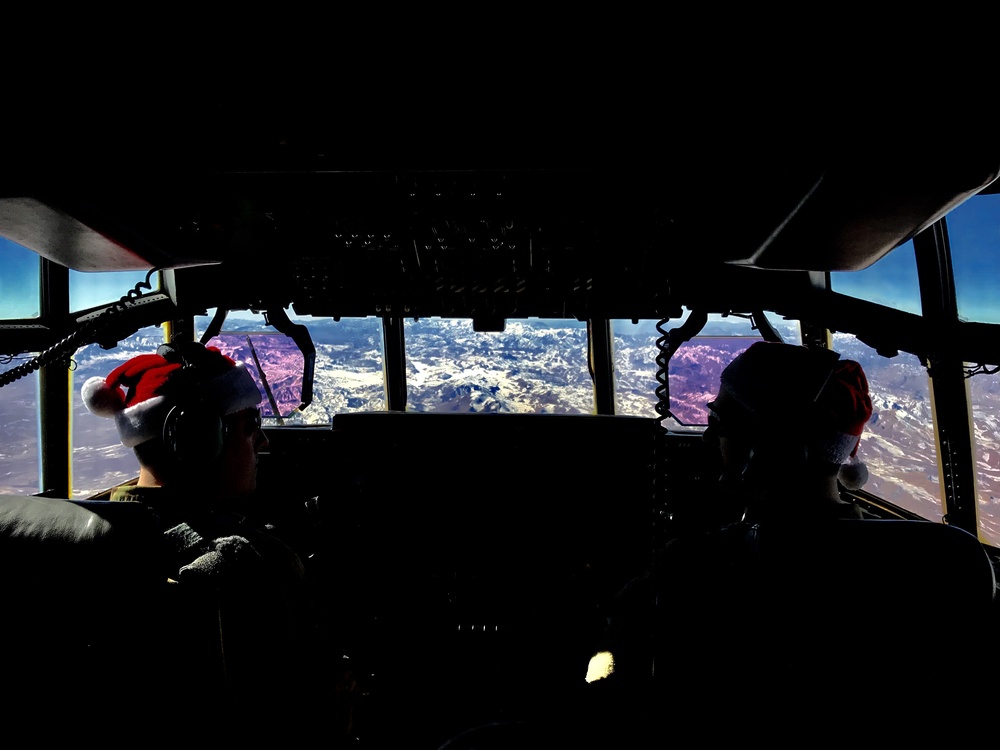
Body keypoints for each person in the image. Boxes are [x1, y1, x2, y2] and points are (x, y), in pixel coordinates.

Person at [579, 342, 878, 739]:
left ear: (776, 447)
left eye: (723, 423)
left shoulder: (691, 568)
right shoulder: (910, 563)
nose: (708, 438)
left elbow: (600, 679)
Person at [81, 339, 354, 742]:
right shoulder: (246, 565)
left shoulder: (88, 536)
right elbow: (315, 723)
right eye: (251, 427)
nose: (262, 443)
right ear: (196, 439)